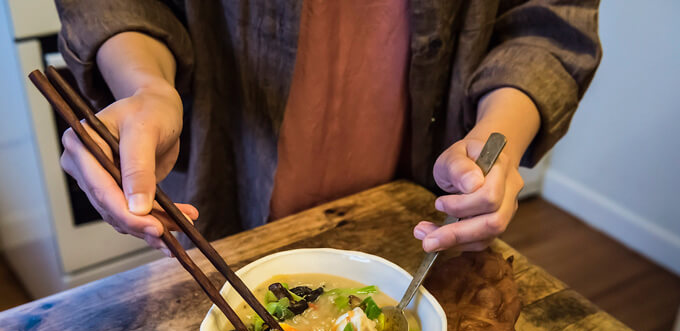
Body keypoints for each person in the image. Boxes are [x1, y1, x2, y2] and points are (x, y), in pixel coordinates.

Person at [54, 1, 601, 256]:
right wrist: (147, 88)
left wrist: (497, 137)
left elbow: (548, 21)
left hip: (416, 186)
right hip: (230, 162)